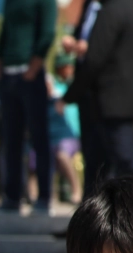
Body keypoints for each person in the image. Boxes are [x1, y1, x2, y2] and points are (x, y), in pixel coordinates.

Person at [62, 0, 133, 198]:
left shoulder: (110, 12)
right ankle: (89, 221)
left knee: (125, 160)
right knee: (100, 166)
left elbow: (94, 60)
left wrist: (69, 96)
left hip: (109, 101)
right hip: (123, 101)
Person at [0, 0, 55, 214]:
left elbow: (47, 32)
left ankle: (44, 197)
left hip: (30, 75)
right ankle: (11, 197)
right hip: (8, 75)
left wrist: (34, 65)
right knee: (11, 139)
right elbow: (5, 30)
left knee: (39, 138)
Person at [49, 54, 82, 204]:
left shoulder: (77, 85)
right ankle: (48, 196)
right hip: (58, 134)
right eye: (64, 67)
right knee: (34, 159)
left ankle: (77, 189)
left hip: (75, 134)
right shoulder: (54, 88)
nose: (68, 70)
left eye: (70, 66)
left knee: (62, 154)